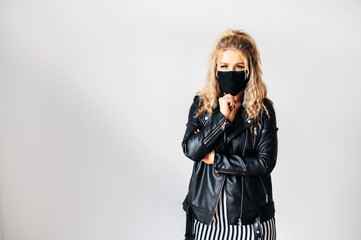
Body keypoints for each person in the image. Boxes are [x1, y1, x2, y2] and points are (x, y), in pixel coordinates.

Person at [181, 29, 279, 240]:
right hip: (206, 221)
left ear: (249, 71)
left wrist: (217, 160)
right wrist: (221, 118)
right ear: (215, 69)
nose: (230, 72)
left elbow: (264, 163)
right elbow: (191, 149)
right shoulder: (202, 105)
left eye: (239, 67)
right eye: (224, 66)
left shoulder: (264, 111)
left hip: (252, 223)